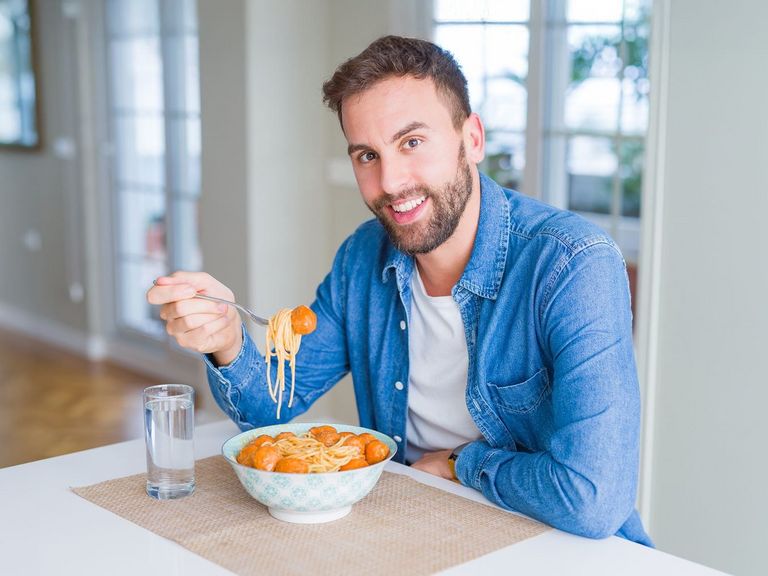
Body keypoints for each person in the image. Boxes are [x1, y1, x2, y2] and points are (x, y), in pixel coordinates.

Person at [147, 35, 652, 546]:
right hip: (415, 527)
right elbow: (267, 408)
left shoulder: (571, 265)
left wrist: (463, 463)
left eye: (412, 142)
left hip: (553, 546)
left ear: (471, 139)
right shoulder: (362, 258)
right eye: (367, 155)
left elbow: (594, 499)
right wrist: (227, 340)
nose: (390, 182)